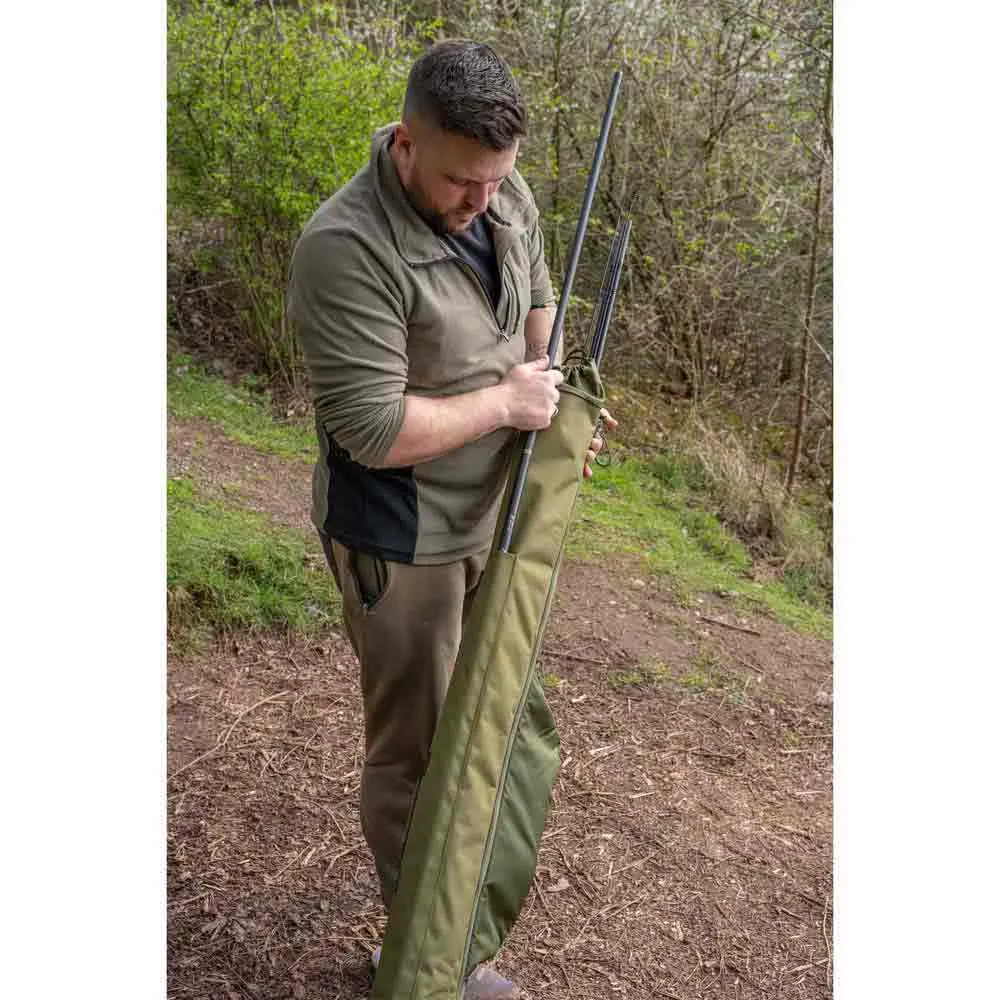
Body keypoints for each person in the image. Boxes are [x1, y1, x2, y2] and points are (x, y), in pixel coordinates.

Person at [288, 39, 615, 998]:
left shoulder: (501, 191)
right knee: (420, 752)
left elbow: (539, 300)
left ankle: (447, 932)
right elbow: (372, 428)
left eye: (496, 180)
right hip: (402, 536)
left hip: (494, 514)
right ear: (405, 143)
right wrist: (508, 404)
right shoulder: (345, 248)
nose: (482, 199)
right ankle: (424, 962)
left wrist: (555, 402)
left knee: (487, 723)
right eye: (461, 181)